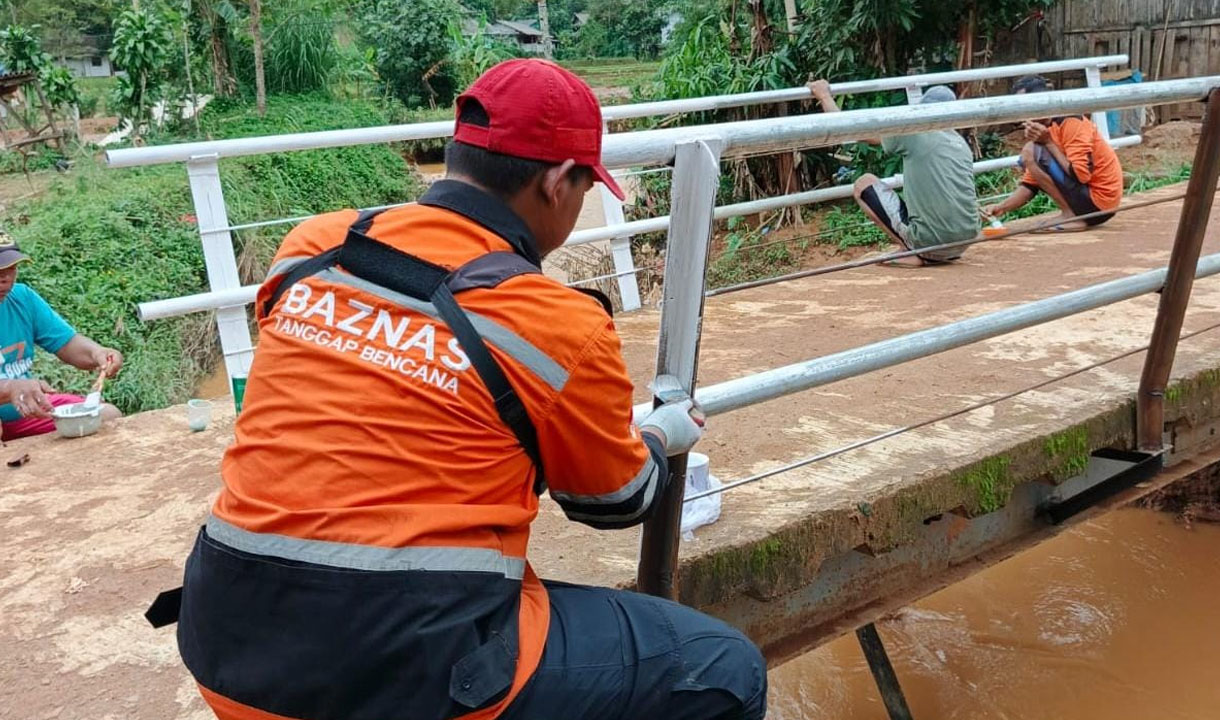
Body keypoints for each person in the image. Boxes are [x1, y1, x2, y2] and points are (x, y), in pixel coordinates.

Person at [171, 59, 767, 720]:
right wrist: (661, 432)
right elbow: (616, 501)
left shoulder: (311, 249)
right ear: (558, 183)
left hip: (228, 649)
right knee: (726, 670)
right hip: (406, 677)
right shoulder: (559, 325)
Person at [807, 80, 979, 267]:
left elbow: (851, 129)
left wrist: (824, 96)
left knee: (864, 183)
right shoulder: (961, 143)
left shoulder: (916, 131)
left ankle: (914, 250)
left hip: (932, 241)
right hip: (967, 238)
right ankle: (937, 251)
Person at [0, 229, 122, 439]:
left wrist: (97, 353)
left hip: (26, 411)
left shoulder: (23, 299)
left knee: (108, 415)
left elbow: (68, 345)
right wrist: (10, 387)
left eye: (12, 268)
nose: (6, 279)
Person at [983, 75, 1124, 232]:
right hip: (1088, 201)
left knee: (1030, 151)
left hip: (1100, 203)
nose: (1023, 115)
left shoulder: (1072, 122)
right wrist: (1002, 207)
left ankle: (1070, 216)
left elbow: (1081, 175)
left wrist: (1048, 142)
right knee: (1029, 153)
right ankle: (1070, 214)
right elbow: (1032, 183)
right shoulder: (1044, 129)